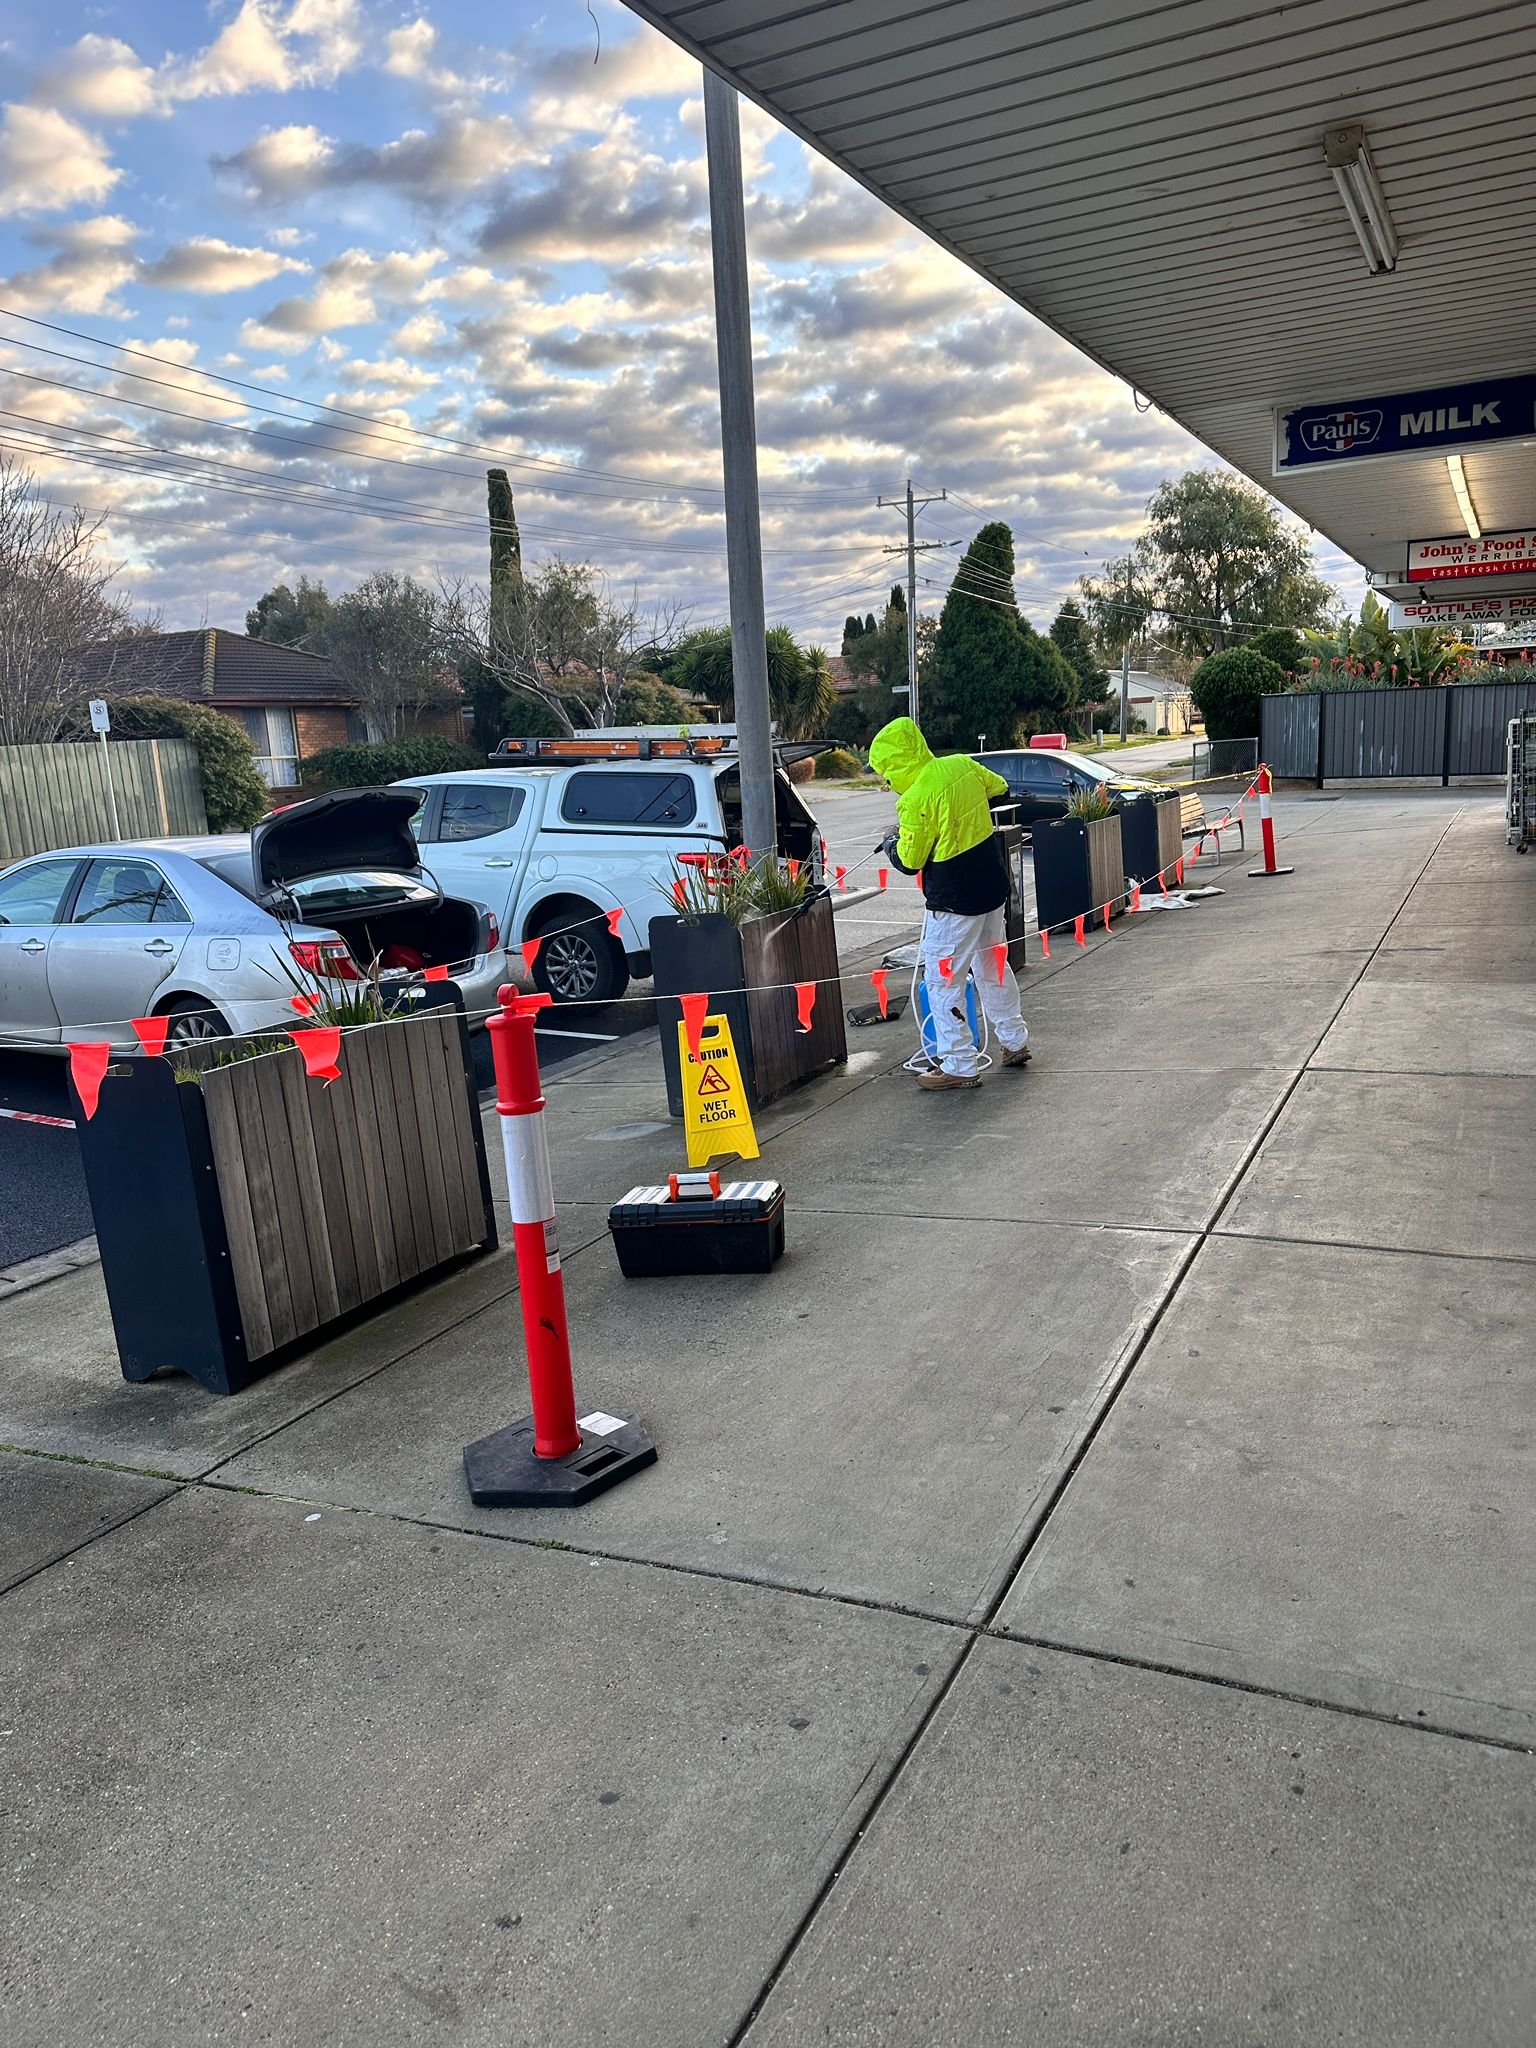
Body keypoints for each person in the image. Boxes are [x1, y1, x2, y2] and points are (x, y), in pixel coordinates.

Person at [867, 716, 1031, 1091]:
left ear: (895, 765)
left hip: (954, 901)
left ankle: (959, 1064)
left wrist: (892, 843)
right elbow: (1000, 788)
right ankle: (1014, 1041)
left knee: (943, 982)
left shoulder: (914, 800)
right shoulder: (960, 764)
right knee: (994, 968)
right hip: (991, 886)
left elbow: (909, 861)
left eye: (885, 775)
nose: (887, 783)